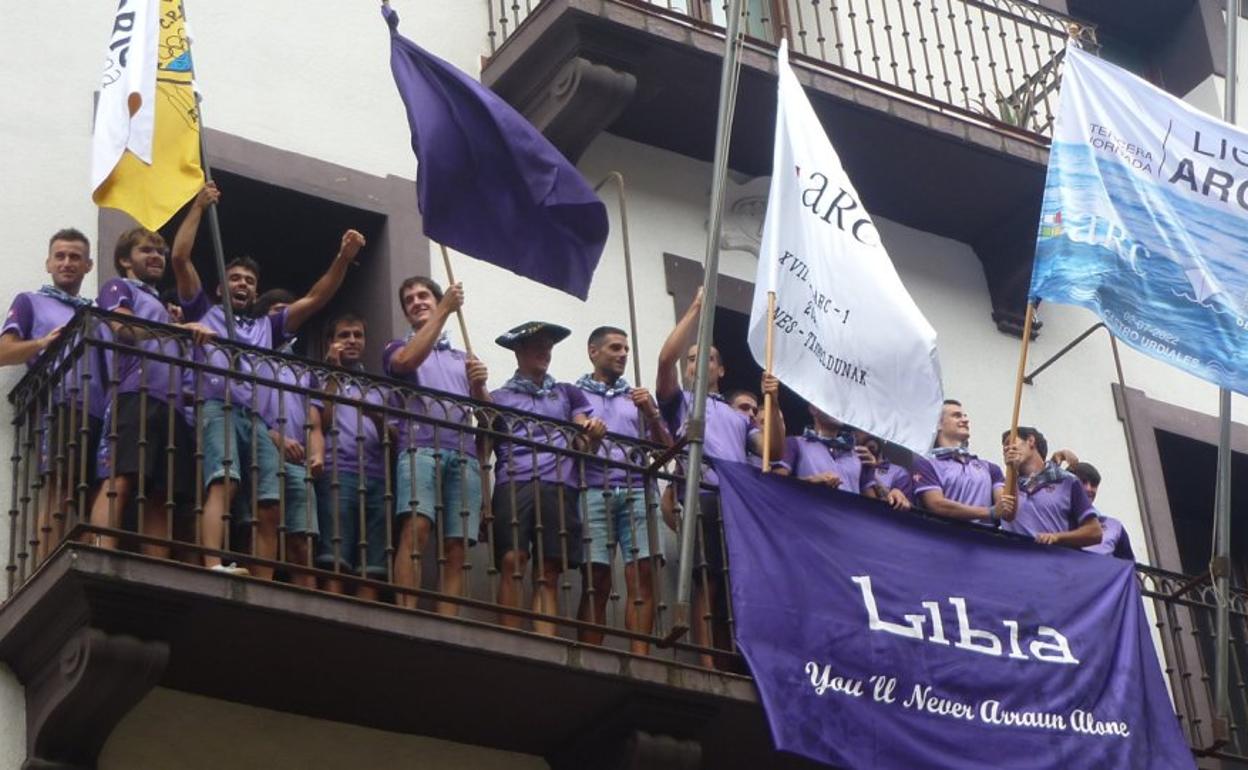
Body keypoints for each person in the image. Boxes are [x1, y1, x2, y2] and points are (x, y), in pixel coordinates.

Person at [170, 182, 363, 578]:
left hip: (255, 419)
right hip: (218, 408)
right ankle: (213, 564)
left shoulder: (267, 327)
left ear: (256, 290)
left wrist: (343, 259)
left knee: (270, 501)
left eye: (249, 281)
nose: (242, 284)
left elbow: (316, 298)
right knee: (224, 482)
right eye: (235, 278)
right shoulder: (204, 311)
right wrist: (198, 207)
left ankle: (263, 580)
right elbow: (180, 258)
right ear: (221, 287)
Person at [656, 289, 783, 666]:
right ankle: (708, 662)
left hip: (737, 504)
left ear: (721, 370)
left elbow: (773, 451)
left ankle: (735, 661)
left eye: (708, 358)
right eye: (692, 359)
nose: (697, 364)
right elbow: (665, 360)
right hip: (702, 496)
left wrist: (774, 404)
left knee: (735, 584)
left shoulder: (737, 417)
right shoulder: (679, 402)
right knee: (706, 580)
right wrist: (696, 307)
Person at [89, 227, 210, 560]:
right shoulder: (118, 287)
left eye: (160, 252)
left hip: (171, 404)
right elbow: (125, 329)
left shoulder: (161, 305)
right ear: (125, 260)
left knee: (161, 492)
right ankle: (101, 553)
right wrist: (176, 329)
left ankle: (157, 563)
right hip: (132, 393)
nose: (156, 257)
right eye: (146, 251)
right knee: (120, 477)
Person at [490, 321, 605, 637]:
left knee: (549, 569)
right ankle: (510, 642)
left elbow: (582, 439)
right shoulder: (497, 397)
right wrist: (484, 502)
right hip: (513, 481)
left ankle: (545, 642)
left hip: (560, 484)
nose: (545, 351)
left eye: (548, 346)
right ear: (519, 350)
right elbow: (484, 445)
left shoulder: (567, 392)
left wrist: (592, 434)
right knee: (512, 560)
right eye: (537, 345)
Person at [384, 276, 489, 615]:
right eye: (409, 300)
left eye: (423, 296)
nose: (416, 302)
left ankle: (448, 621)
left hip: (464, 454)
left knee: (457, 545)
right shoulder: (396, 347)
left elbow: (488, 418)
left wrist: (480, 386)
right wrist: (444, 310)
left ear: (435, 298)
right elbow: (405, 362)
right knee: (416, 529)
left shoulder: (463, 357)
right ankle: (406, 613)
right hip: (419, 448)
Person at [0, 229, 105, 556]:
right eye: (60, 256)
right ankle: (47, 561)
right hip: (60, 403)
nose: (67, 263)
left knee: (94, 493)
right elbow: (4, 352)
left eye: (75, 257)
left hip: (101, 410)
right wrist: (42, 343)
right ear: (48, 263)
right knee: (60, 485)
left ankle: (89, 558)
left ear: (88, 265)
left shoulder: (95, 311)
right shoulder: (30, 301)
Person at [574, 326, 671, 654]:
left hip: (638, 490)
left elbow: (667, 450)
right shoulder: (575, 394)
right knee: (596, 579)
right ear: (593, 351)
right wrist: (589, 437)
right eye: (615, 348)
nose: (623, 354)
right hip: (592, 489)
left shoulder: (638, 397)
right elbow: (573, 447)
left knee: (642, 574)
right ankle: (588, 657)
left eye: (626, 349)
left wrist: (652, 413)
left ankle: (640, 658)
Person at [317, 313, 391, 599]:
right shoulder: (317, 378)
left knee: (373, 564)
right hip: (337, 472)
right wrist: (333, 373)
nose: (351, 341)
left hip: (378, 477)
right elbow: (321, 422)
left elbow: (393, 438)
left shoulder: (378, 387)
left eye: (357, 335)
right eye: (344, 335)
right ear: (330, 342)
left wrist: (376, 417)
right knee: (334, 557)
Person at [256, 291, 325, 587]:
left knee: (302, 540)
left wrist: (317, 454)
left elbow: (314, 422)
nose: (286, 316)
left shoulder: (303, 369)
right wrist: (274, 436)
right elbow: (242, 406)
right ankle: (258, 593)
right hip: (262, 450)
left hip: (298, 461)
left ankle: (310, 599)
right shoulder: (253, 357)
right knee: (262, 522)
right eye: (277, 311)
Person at [911, 399, 1015, 525]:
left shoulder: (990, 468)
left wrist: (1014, 468)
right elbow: (936, 505)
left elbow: (1006, 511)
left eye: (965, 416)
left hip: (983, 537)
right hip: (944, 535)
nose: (965, 420)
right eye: (957, 416)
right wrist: (990, 512)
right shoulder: (926, 464)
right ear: (938, 424)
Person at [1000, 427, 1102, 547]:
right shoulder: (1002, 487)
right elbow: (996, 516)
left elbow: (1095, 532)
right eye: (1004, 447)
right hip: (1013, 558)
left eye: (1010, 442)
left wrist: (1057, 537)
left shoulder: (1067, 481)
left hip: (1052, 557)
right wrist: (1012, 471)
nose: (1006, 449)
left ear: (1031, 441)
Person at [781, 406, 877, 497]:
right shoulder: (794, 443)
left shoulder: (861, 455)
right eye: (831, 401)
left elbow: (872, 504)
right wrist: (810, 481)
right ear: (813, 409)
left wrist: (874, 472)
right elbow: (777, 485)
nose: (839, 408)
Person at [1071, 461, 1135, 560]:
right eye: (1083, 482)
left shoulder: (1114, 527)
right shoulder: (1054, 522)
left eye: (1093, 485)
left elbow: (1129, 565)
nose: (1089, 489)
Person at [860, 434, 913, 511]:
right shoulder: (848, 463)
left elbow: (904, 509)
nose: (871, 434)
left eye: (878, 431)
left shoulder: (899, 473)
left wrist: (870, 472)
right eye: (865, 430)